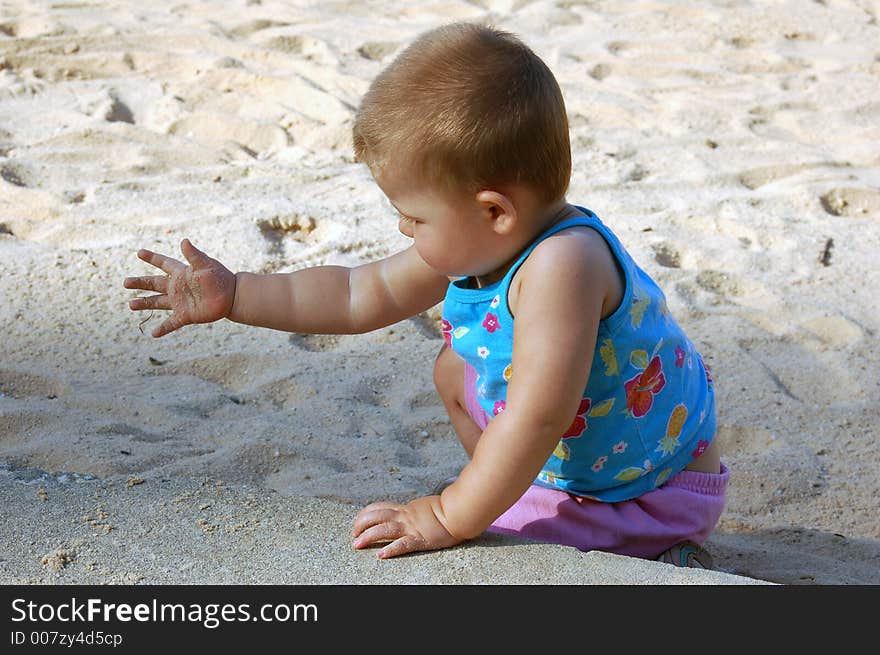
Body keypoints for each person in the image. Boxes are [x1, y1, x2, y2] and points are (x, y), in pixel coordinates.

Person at [123, 22, 728, 567]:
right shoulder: (487, 240)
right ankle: (508, 484)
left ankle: (643, 548)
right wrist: (237, 295)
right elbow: (360, 293)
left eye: (413, 216)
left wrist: (447, 515)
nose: (403, 230)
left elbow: (539, 415)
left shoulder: (562, 265)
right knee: (452, 370)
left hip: (644, 490)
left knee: (497, 533)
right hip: (587, 449)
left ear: (492, 210)